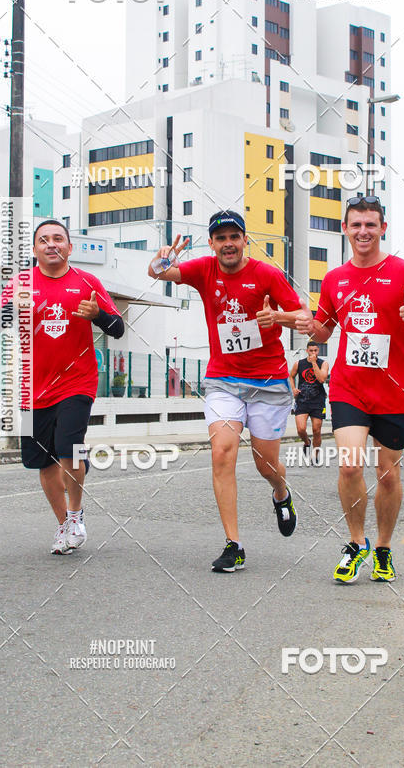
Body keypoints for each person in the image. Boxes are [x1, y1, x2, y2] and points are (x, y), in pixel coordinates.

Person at [148, 210, 313, 573]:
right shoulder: (204, 270)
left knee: (265, 464)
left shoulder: (267, 275)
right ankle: (233, 545)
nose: (227, 244)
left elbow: (305, 317)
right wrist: (161, 260)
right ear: (211, 244)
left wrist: (277, 319)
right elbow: (158, 272)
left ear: (244, 240)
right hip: (224, 379)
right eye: (220, 238)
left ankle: (281, 493)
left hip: (268, 382)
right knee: (222, 452)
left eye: (233, 237)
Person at [0, 220, 124, 554]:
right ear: (34, 249)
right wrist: (10, 309)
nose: (51, 244)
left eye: (58, 239)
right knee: (42, 463)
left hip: (77, 383)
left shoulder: (87, 282)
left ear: (69, 247)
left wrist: (98, 317)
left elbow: (117, 327)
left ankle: (75, 515)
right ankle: (65, 525)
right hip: (31, 389)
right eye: (43, 240)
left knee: (69, 446)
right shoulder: (19, 283)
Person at [310, 195, 404, 584]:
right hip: (348, 387)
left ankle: (384, 548)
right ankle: (357, 542)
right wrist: (305, 325)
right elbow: (324, 328)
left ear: (383, 229)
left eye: (370, 225)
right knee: (349, 464)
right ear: (345, 228)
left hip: (393, 391)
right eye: (356, 225)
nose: (363, 232)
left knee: (388, 474)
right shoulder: (334, 279)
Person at [289, 342, 329, 462]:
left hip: (318, 401)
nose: (313, 353)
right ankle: (307, 442)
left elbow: (322, 379)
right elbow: (291, 376)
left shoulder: (323, 363)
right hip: (302, 400)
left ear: (318, 351)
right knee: (301, 429)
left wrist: (313, 363)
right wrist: (293, 389)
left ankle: (315, 454)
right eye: (311, 351)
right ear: (307, 351)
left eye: (315, 351)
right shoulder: (299, 363)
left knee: (317, 430)